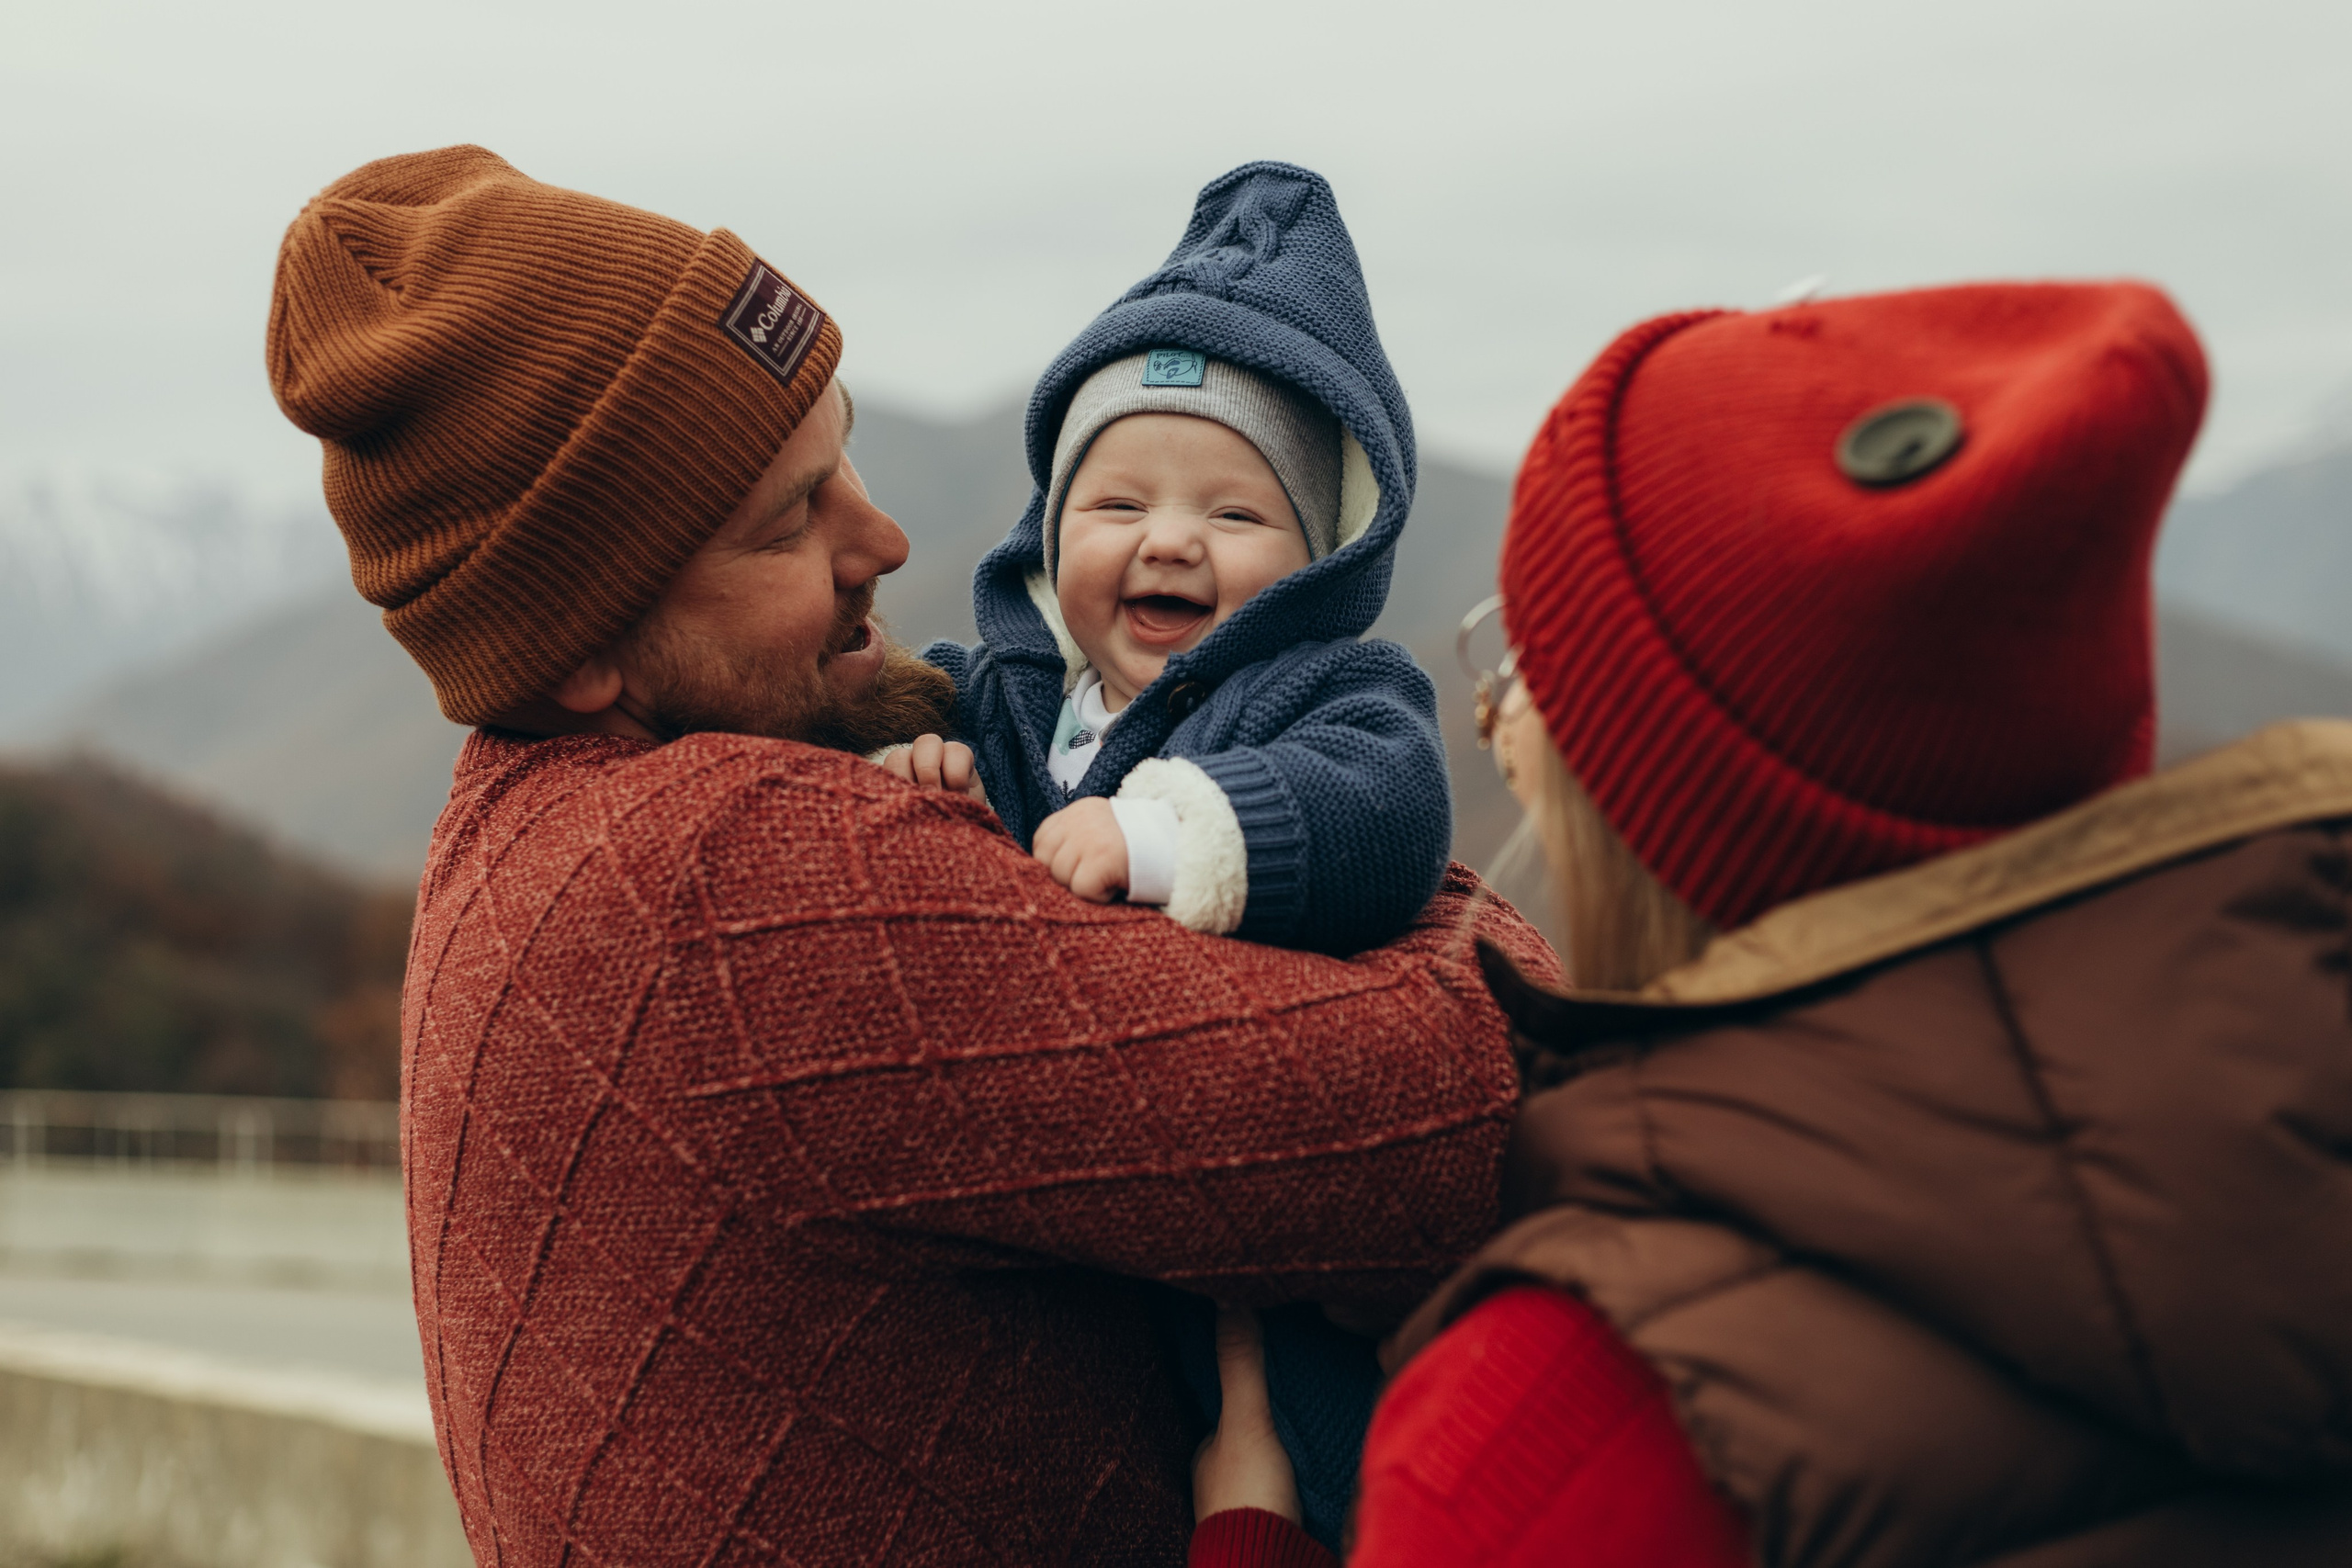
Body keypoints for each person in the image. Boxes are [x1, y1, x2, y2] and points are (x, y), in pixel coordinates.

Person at [265, 142, 1553, 1568]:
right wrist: (1432, 894)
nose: (883, 535)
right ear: (581, 650)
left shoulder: (521, 821)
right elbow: (1474, 1113)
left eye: (844, 451)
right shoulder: (727, 874)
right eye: (787, 520)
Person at [1192, 281, 2352, 1565]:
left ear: (1669, 799)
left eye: (1531, 665)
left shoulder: (1546, 1430)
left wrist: (1251, 1537)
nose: (1501, 710)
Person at [898, 161, 1451, 963]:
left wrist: (1166, 836)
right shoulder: (993, 701)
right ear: (1050, 538)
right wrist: (914, 769)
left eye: (1234, 514)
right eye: (1120, 506)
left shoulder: (1332, 698)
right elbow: (848, 721)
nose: (1169, 542)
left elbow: (1392, 812)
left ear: (1318, 562)